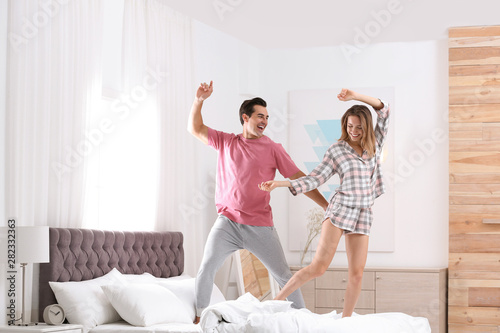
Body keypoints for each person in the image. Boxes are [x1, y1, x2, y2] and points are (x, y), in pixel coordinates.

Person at [188, 81, 329, 324]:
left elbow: (298, 178)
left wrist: (326, 205)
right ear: (246, 117)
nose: (264, 121)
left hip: (260, 226)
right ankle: (198, 319)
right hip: (228, 223)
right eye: (260, 116)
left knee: (284, 275)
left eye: (267, 117)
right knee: (206, 268)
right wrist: (199, 100)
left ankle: (305, 321)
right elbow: (195, 128)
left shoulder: (273, 148)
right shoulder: (226, 141)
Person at [259, 88, 390, 318]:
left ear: (366, 127)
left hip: (363, 213)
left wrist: (356, 96)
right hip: (339, 210)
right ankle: (275, 302)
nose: (354, 131)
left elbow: (384, 109)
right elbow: (315, 178)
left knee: (357, 274)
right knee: (318, 267)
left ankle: (345, 321)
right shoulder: (337, 150)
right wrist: (281, 184)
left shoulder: (374, 145)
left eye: (359, 127)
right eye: (350, 126)